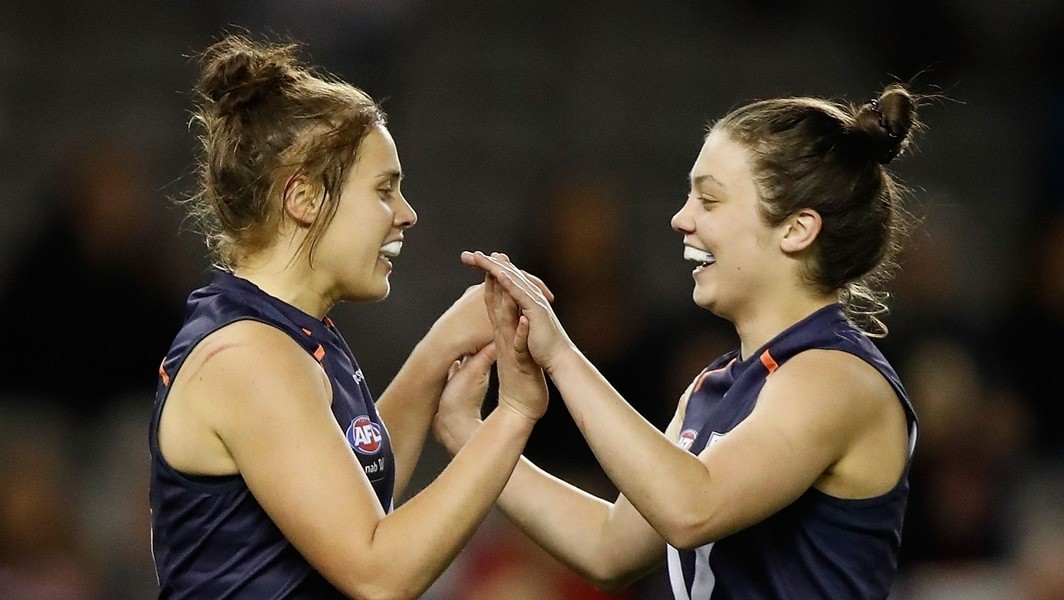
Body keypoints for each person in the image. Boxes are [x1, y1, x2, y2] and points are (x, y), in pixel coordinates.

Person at [440, 84, 924, 599]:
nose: (681, 218)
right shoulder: (713, 387)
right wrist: (469, 435)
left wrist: (560, 355)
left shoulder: (835, 376)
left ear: (797, 229)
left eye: (709, 199)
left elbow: (693, 509)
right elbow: (607, 547)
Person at [148, 33, 550, 599]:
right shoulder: (250, 359)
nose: (406, 214)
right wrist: (512, 414)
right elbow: (378, 571)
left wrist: (442, 349)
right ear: (304, 198)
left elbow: (356, 485)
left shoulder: (284, 332)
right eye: (384, 189)